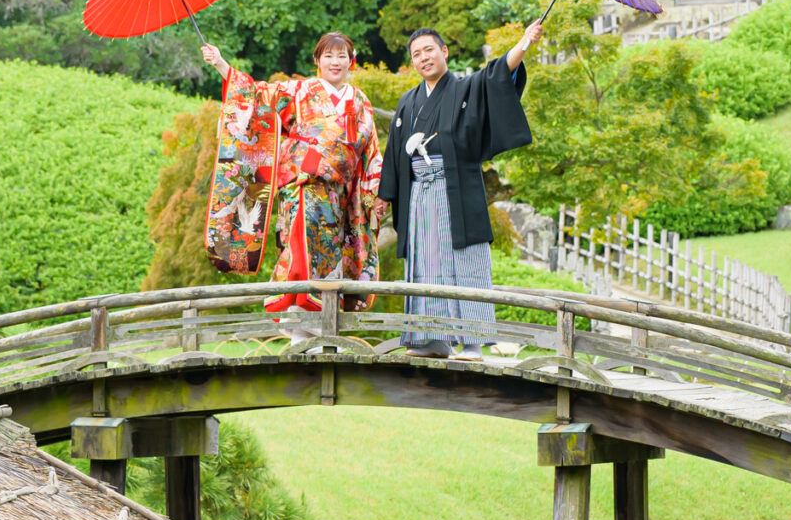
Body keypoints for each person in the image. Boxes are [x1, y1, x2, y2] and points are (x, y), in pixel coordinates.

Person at [381, 18, 544, 355]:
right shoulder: (407, 103)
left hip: (456, 190)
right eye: (416, 54)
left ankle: (470, 341)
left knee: (465, 260)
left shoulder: (466, 89)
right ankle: (429, 338)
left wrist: (524, 41)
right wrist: (386, 196)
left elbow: (497, 74)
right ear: (412, 62)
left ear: (444, 52)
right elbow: (394, 153)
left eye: (429, 50)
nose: (424, 57)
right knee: (423, 263)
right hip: (418, 195)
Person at [201, 31, 384, 313]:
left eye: (342, 56)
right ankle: (298, 308)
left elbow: (371, 151)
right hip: (303, 183)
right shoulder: (300, 92)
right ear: (317, 61)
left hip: (341, 193)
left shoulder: (359, 100)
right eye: (328, 56)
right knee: (302, 242)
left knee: (334, 252)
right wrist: (221, 65)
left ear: (352, 62)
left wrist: (377, 193)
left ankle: (323, 320)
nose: (335, 62)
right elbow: (256, 94)